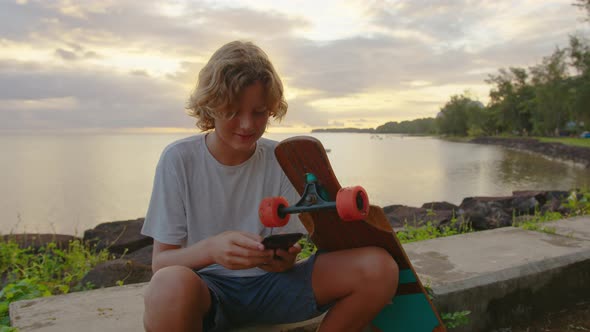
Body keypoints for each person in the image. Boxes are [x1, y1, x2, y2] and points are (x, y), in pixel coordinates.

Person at [141, 40, 399, 332]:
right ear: (210, 107)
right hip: (209, 290)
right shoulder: (179, 159)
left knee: (379, 268)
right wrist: (212, 250)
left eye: (259, 112)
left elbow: (288, 251)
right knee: (167, 287)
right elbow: (161, 263)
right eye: (233, 111)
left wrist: (282, 261)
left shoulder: (283, 158)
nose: (247, 124)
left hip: (274, 287)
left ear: (272, 108)